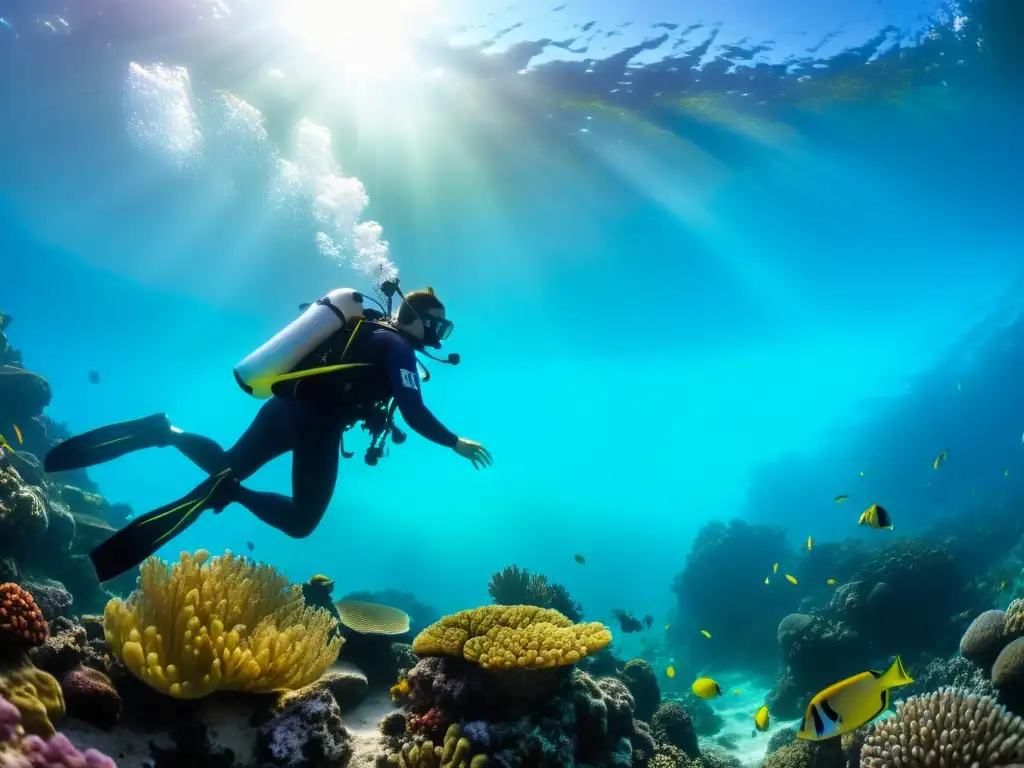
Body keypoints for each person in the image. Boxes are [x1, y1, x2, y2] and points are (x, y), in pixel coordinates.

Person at [44, 284, 492, 582]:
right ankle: (230, 490)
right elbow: (413, 412)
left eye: (444, 327)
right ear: (413, 316)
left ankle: (166, 431)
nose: (438, 334)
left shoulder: (367, 331)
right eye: (437, 324)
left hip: (284, 406)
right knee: (301, 520)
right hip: (317, 423)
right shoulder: (397, 347)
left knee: (225, 466)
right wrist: (456, 442)